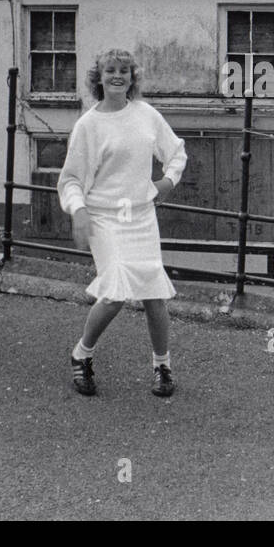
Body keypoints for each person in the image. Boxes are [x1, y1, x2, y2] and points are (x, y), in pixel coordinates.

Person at [59, 48, 187, 398]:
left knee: (154, 295)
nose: (118, 76)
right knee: (114, 294)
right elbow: (70, 179)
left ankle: (162, 366)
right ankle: (81, 355)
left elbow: (176, 153)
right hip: (104, 217)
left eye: (124, 71)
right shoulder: (88, 125)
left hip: (141, 216)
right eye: (110, 70)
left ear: (133, 78)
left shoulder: (146, 114)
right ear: (98, 78)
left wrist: (167, 183)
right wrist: (79, 212)